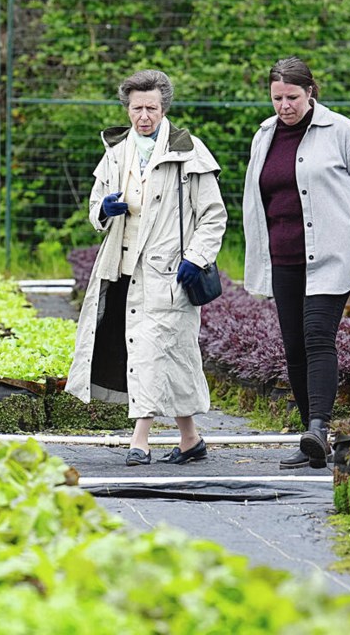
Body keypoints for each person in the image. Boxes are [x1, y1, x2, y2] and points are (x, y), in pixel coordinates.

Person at [65, 69, 228, 466]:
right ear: (127, 109)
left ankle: (139, 440)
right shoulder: (116, 153)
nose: (143, 116)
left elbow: (213, 215)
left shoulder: (188, 151)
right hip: (121, 272)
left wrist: (196, 258)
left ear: (163, 107)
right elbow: (94, 208)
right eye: (136, 108)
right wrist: (103, 211)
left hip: (169, 272)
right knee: (160, 354)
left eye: (151, 108)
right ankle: (190, 440)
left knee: (156, 352)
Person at [242, 57, 350, 469]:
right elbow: (259, 200)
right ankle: (313, 439)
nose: (284, 106)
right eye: (276, 98)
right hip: (284, 257)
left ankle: (319, 427)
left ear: (310, 92)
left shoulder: (344, 133)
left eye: (291, 97)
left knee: (317, 336)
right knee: (294, 347)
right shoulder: (264, 136)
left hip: (332, 256)